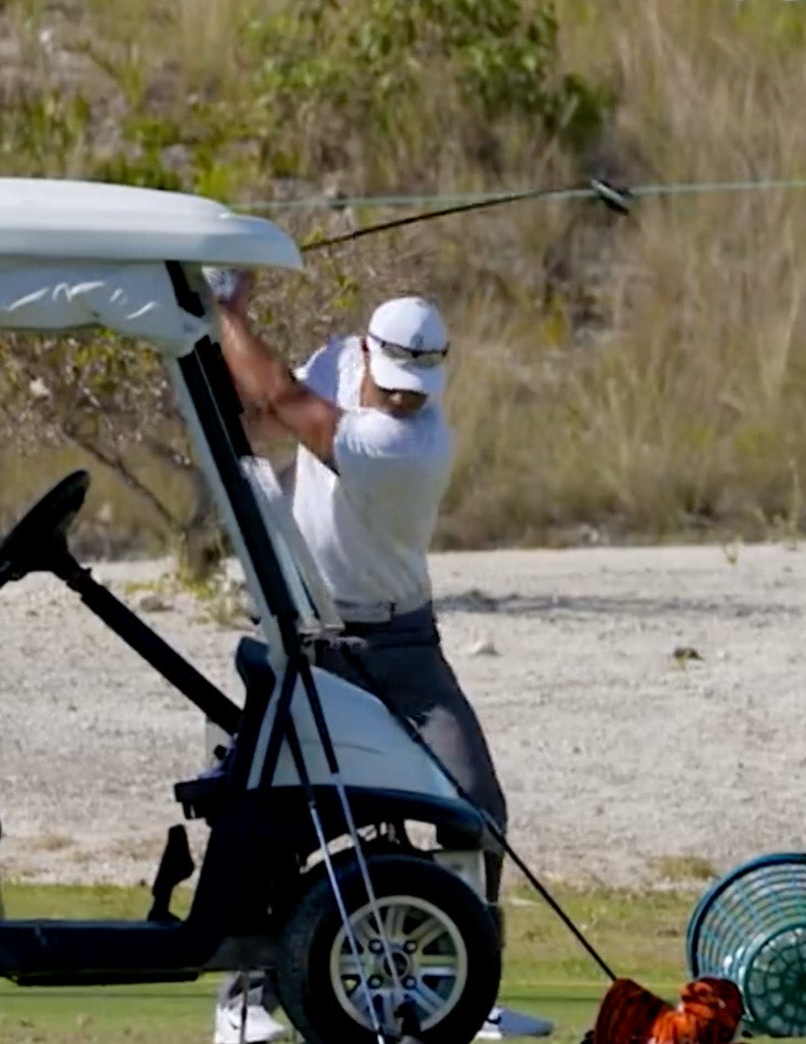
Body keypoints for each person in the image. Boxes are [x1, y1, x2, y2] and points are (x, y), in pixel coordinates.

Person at [205, 272, 554, 1042]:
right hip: (311, 638)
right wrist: (232, 335)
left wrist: (226, 308)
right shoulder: (331, 361)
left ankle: (463, 987)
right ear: (365, 352)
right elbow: (266, 404)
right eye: (394, 382)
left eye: (419, 386)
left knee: (475, 807)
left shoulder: (411, 444)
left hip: (402, 643)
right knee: (275, 815)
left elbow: (284, 400)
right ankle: (244, 1000)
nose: (404, 397)